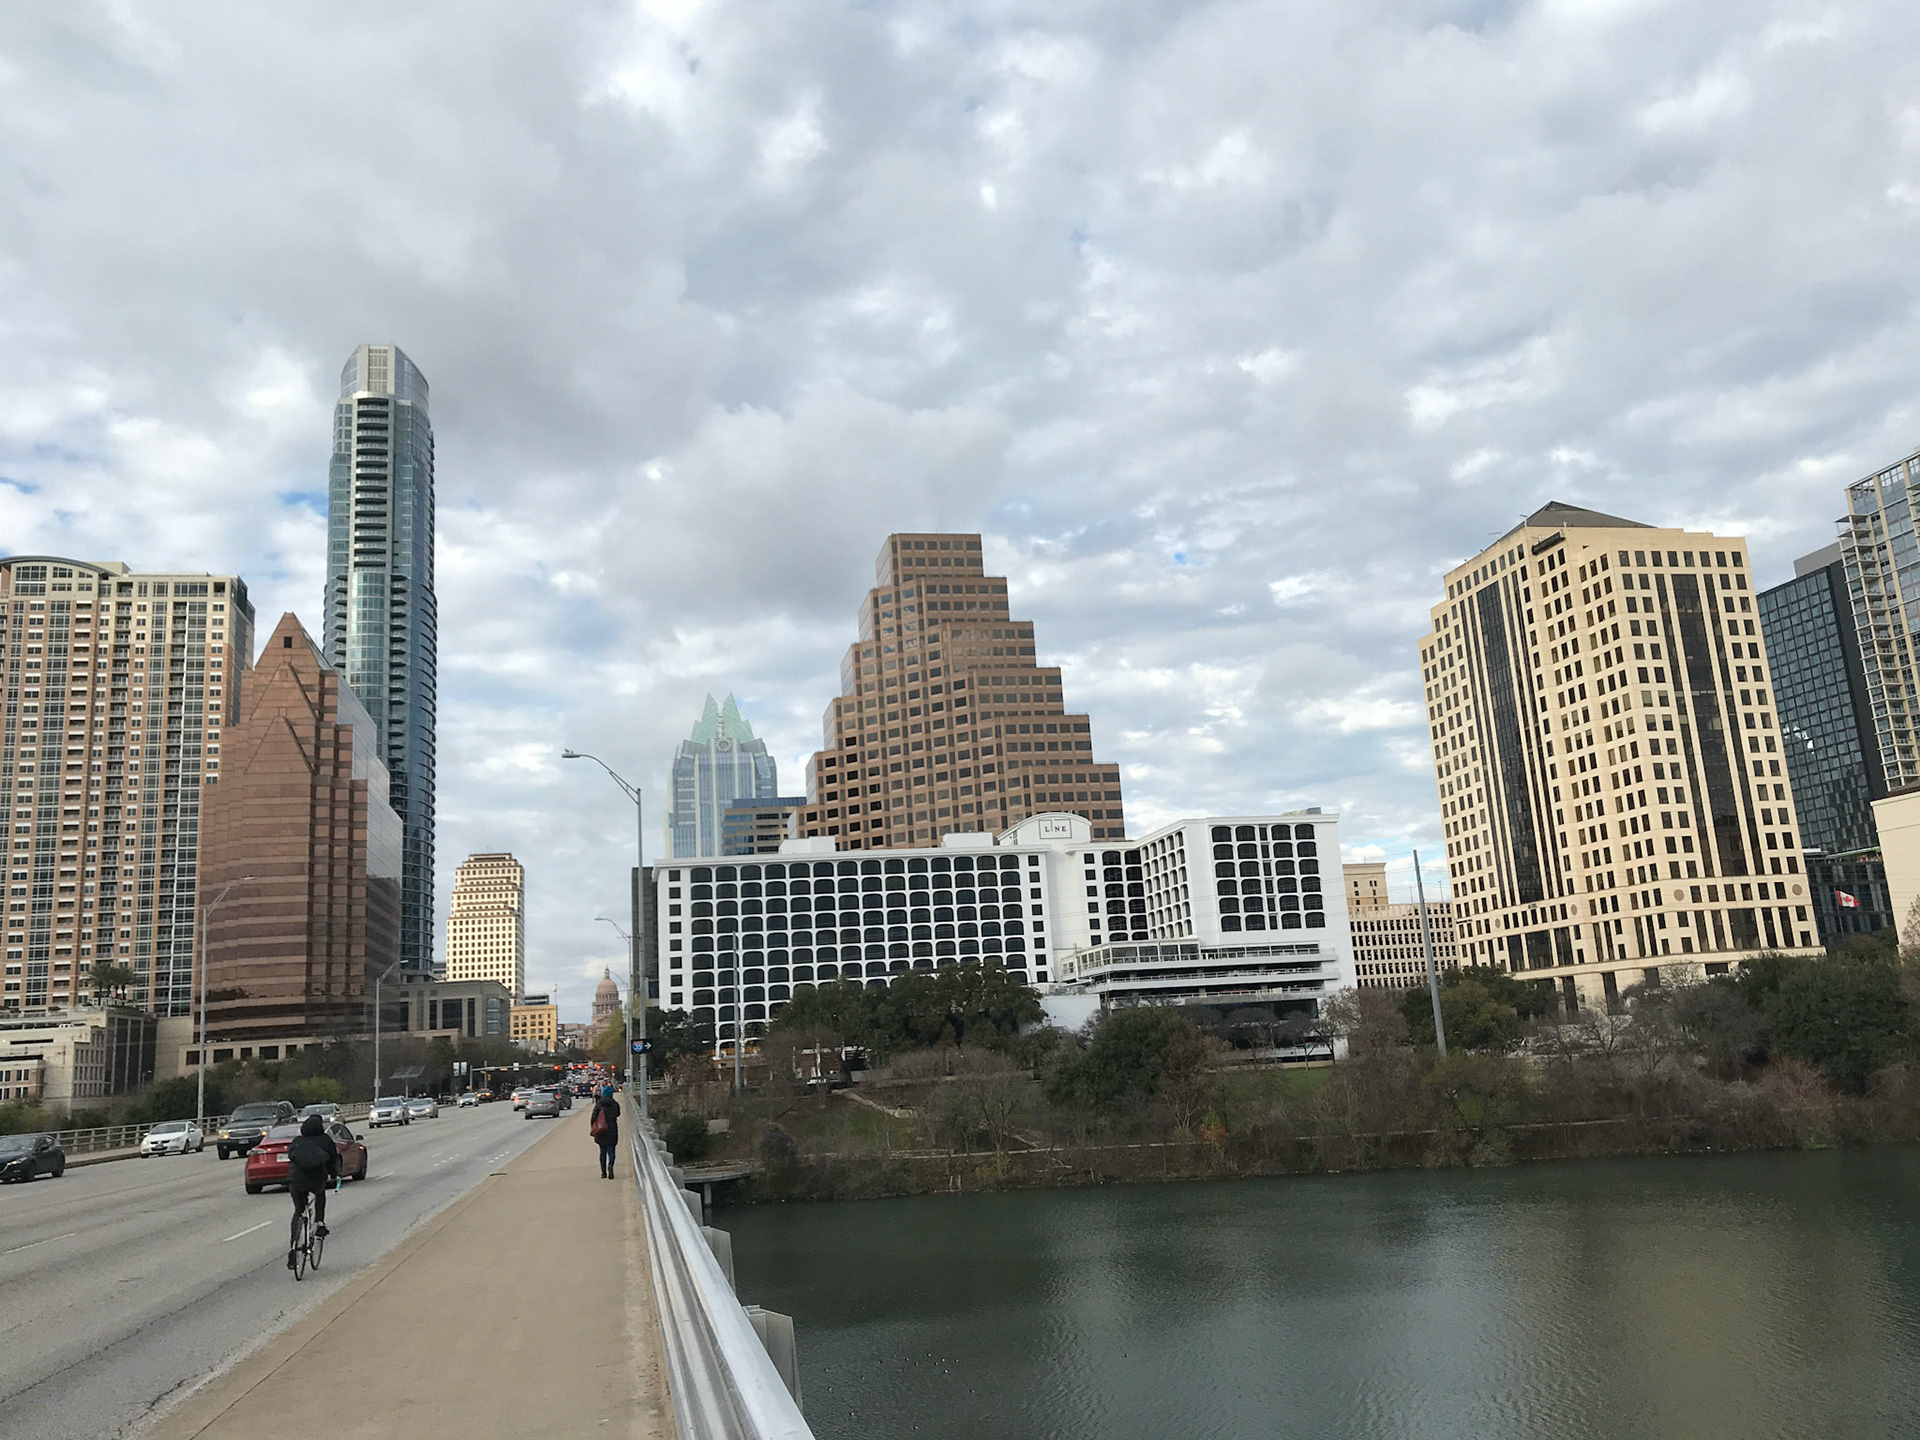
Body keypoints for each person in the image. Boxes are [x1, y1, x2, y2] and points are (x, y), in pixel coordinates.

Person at [286, 1114, 340, 1266]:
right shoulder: (325, 1141)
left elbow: (291, 1157)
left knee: (298, 1210)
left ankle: (293, 1247)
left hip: (296, 1180)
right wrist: (335, 1175)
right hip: (316, 1179)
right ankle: (320, 1223)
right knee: (320, 1195)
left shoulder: (297, 1141)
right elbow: (332, 1161)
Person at [590, 1085, 621, 1179]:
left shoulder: (599, 1104)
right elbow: (618, 1114)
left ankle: (603, 1172)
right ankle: (611, 1164)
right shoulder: (614, 1104)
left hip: (601, 1130)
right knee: (611, 1150)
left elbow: (593, 1117)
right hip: (612, 1130)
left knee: (602, 1151)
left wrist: (593, 1126)